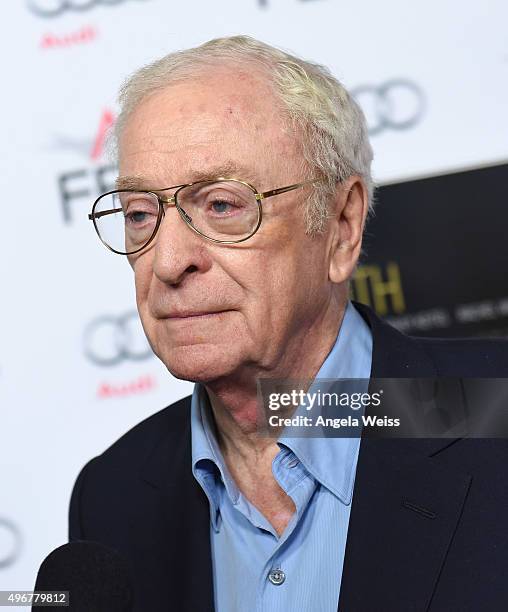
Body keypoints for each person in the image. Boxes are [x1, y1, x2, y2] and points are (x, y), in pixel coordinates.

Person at [69, 36, 508, 611]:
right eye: (139, 213)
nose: (169, 261)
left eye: (222, 205)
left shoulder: (493, 410)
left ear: (343, 225)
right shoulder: (113, 494)